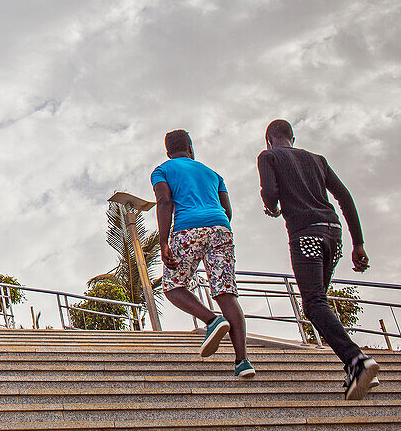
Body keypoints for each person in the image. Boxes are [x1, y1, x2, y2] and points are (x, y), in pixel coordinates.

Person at [257, 119, 379, 400]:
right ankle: (353, 366)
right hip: (334, 236)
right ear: (293, 137)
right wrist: (358, 242)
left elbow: (270, 192)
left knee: (313, 304)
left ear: (269, 139)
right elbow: (345, 197)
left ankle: (356, 360)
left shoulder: (268, 156)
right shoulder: (318, 160)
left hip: (306, 235)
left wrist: (271, 207)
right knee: (318, 304)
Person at [151, 129, 255, 379]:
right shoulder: (213, 174)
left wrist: (164, 242)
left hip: (187, 228)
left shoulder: (162, 170)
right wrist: (215, 229)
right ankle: (242, 362)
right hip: (221, 227)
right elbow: (226, 209)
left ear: (168, 151)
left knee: (173, 287)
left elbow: (164, 201)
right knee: (225, 293)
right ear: (190, 148)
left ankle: (211, 320)